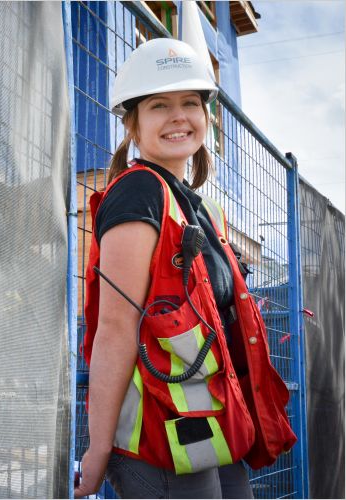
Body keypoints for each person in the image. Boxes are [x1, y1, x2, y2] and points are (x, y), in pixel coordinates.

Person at [73, 38, 296, 499]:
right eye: (159, 105)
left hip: (210, 429)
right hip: (157, 440)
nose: (178, 115)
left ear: (204, 117)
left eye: (189, 103)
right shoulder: (139, 194)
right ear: (134, 126)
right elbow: (115, 328)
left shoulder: (200, 209)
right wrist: (96, 448)